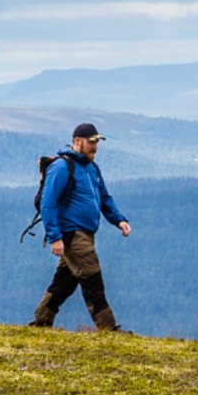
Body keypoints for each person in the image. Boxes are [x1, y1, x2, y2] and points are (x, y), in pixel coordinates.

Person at [30, 122, 131, 331]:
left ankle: (42, 321)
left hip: (84, 233)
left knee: (65, 281)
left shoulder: (91, 168)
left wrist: (119, 219)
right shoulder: (61, 167)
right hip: (71, 234)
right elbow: (48, 203)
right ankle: (108, 329)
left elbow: (103, 197)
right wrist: (54, 237)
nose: (95, 146)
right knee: (92, 277)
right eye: (91, 142)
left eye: (97, 142)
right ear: (77, 142)